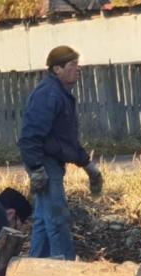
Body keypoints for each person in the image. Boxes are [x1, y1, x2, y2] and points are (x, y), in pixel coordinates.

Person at [19, 45, 103, 259]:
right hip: (45, 163)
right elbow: (30, 134)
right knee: (57, 218)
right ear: (57, 69)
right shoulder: (48, 94)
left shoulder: (59, 93)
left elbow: (66, 140)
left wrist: (87, 165)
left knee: (43, 220)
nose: (78, 68)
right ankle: (65, 268)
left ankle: (35, 267)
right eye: (73, 64)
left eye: (78, 64)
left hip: (50, 162)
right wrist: (36, 168)